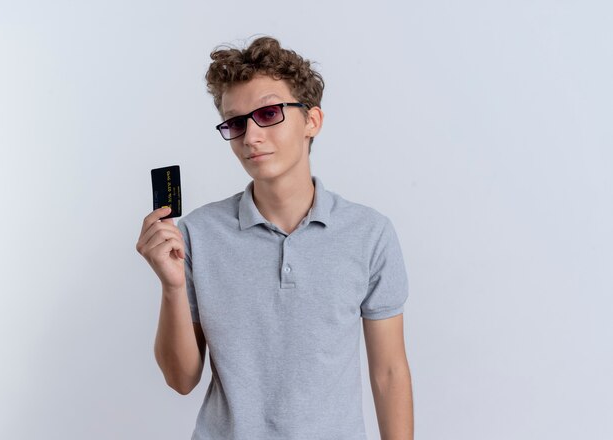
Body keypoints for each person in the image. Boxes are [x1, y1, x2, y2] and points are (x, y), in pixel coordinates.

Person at [136, 36, 414, 440]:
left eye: (268, 113)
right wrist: (171, 286)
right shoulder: (197, 233)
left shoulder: (369, 234)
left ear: (312, 121)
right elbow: (181, 379)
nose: (250, 137)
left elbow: (389, 372)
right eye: (235, 122)